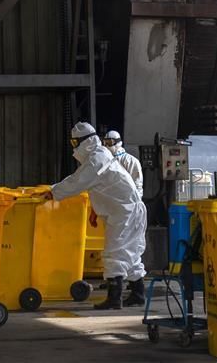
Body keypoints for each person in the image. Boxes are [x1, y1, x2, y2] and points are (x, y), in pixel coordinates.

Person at [45, 121, 147, 309]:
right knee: (130, 253)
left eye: (75, 143)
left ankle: (114, 298)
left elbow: (78, 181)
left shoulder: (96, 159)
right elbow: (99, 187)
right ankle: (138, 293)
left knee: (114, 253)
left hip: (125, 212)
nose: (74, 148)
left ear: (85, 141)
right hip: (126, 210)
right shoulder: (99, 156)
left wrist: (53, 192)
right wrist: (94, 210)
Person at [104, 130, 144, 199]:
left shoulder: (131, 161)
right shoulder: (105, 160)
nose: (107, 145)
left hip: (127, 200)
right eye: (105, 142)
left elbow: (137, 185)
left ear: (117, 142)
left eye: (110, 142)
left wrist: (136, 202)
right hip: (110, 200)